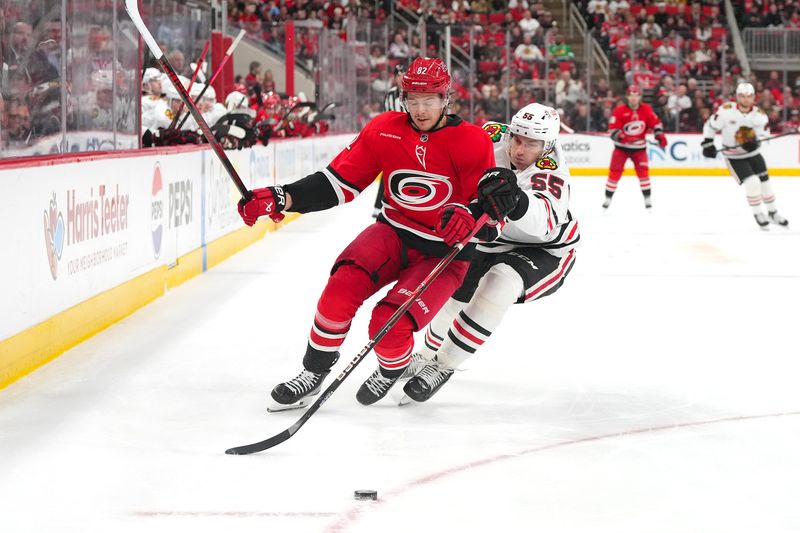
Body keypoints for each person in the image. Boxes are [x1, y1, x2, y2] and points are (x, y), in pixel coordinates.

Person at [237, 57, 514, 409]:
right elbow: (337, 183)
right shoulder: (384, 128)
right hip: (393, 232)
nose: (420, 108)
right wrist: (283, 196)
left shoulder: (472, 141)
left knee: (389, 324)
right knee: (341, 287)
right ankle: (313, 372)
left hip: (444, 252)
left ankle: (391, 367)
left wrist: (474, 217)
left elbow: (491, 210)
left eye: (429, 100)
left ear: (447, 98)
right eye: (413, 99)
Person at [402, 103, 580, 402]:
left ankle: (442, 365)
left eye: (531, 144)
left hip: (543, 249)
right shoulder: (492, 140)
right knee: (456, 290)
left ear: (547, 145)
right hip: (493, 237)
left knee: (498, 283)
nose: (520, 150)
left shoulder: (552, 172)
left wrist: (516, 201)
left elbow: (540, 222)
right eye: (517, 139)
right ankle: (426, 352)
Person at [701, 82, 789, 229]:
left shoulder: (760, 116)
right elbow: (710, 126)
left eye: (749, 96)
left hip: (754, 154)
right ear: (737, 97)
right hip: (734, 156)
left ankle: (773, 213)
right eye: (742, 96)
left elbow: (764, 136)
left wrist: (755, 143)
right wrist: (708, 143)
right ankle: (758, 213)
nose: (746, 99)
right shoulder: (725, 111)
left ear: (754, 97)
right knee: (753, 182)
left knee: (765, 184)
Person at [603, 84, 666, 210]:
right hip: (621, 148)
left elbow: (656, 123)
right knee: (614, 173)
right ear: (627, 97)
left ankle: (647, 198)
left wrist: (659, 135)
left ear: (640, 97)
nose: (633, 98)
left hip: (639, 149)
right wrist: (620, 136)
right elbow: (612, 129)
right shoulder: (619, 111)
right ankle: (608, 198)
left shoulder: (647, 110)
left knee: (643, 173)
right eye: (631, 96)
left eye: (636, 96)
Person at [373, 64, 407, 217]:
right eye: (398, 75)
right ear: (394, 78)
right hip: (394, 139)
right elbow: (387, 118)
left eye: (404, 75)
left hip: (410, 139)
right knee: (389, 171)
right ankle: (380, 204)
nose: (401, 78)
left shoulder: (413, 94)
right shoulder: (390, 95)